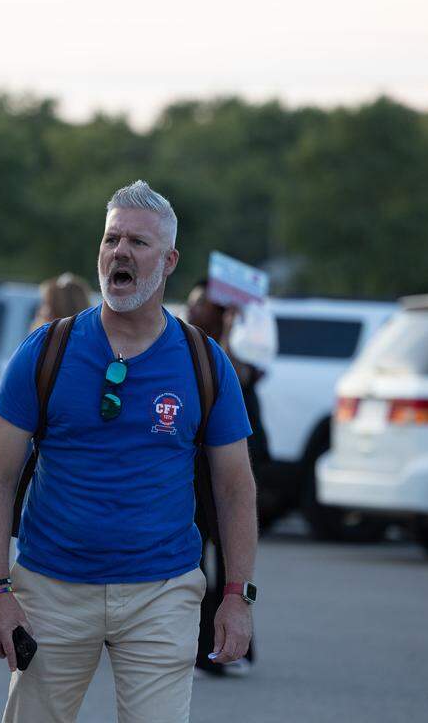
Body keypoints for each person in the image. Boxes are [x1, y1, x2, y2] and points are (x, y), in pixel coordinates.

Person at [0, 181, 258, 722]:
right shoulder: (45, 351)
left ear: (169, 260)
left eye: (138, 242)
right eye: (111, 239)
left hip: (163, 593)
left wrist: (236, 596)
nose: (120, 252)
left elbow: (235, 487)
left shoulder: (204, 361)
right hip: (52, 589)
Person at [185, 280, 267, 678]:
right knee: (196, 565)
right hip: (193, 474)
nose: (194, 309)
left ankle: (236, 648)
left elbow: (251, 385)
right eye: (193, 302)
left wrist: (236, 333)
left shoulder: (234, 357)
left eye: (203, 304)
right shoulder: (182, 347)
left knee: (233, 564)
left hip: (231, 470)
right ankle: (202, 649)